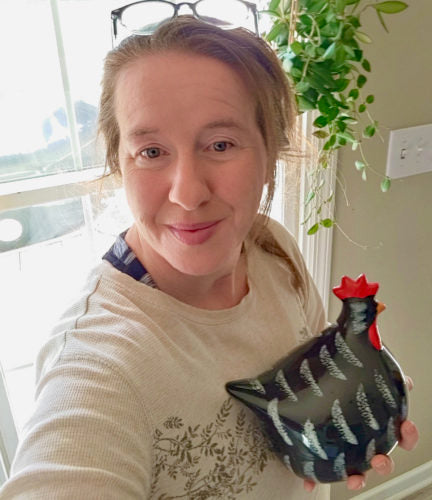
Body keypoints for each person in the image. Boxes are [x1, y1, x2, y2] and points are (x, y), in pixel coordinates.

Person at [0, 12, 418, 500]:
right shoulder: (97, 367)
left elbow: (316, 369)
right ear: (119, 162)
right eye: (151, 152)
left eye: (220, 144)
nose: (188, 193)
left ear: (271, 150)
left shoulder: (271, 246)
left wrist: (356, 398)